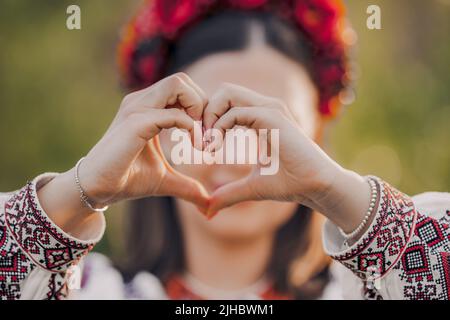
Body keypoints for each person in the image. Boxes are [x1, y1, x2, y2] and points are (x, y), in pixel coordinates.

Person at [1, 0, 449, 300]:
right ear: (155, 128)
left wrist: (337, 192)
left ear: (314, 138)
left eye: (272, 124)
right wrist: (80, 189)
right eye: (210, 120)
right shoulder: (88, 290)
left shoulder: (369, 290)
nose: (236, 156)